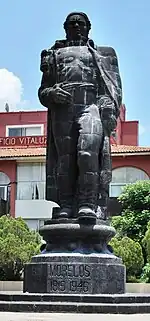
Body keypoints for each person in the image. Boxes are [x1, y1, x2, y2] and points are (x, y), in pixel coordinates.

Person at [38, 12, 122, 221]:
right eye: (71, 22)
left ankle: (87, 203)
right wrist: (52, 93)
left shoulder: (104, 54)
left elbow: (112, 88)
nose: (76, 25)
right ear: (65, 27)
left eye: (80, 22)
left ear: (88, 27)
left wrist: (107, 106)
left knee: (87, 152)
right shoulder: (53, 54)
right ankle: (66, 205)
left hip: (90, 105)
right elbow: (43, 91)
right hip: (63, 108)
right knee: (65, 160)